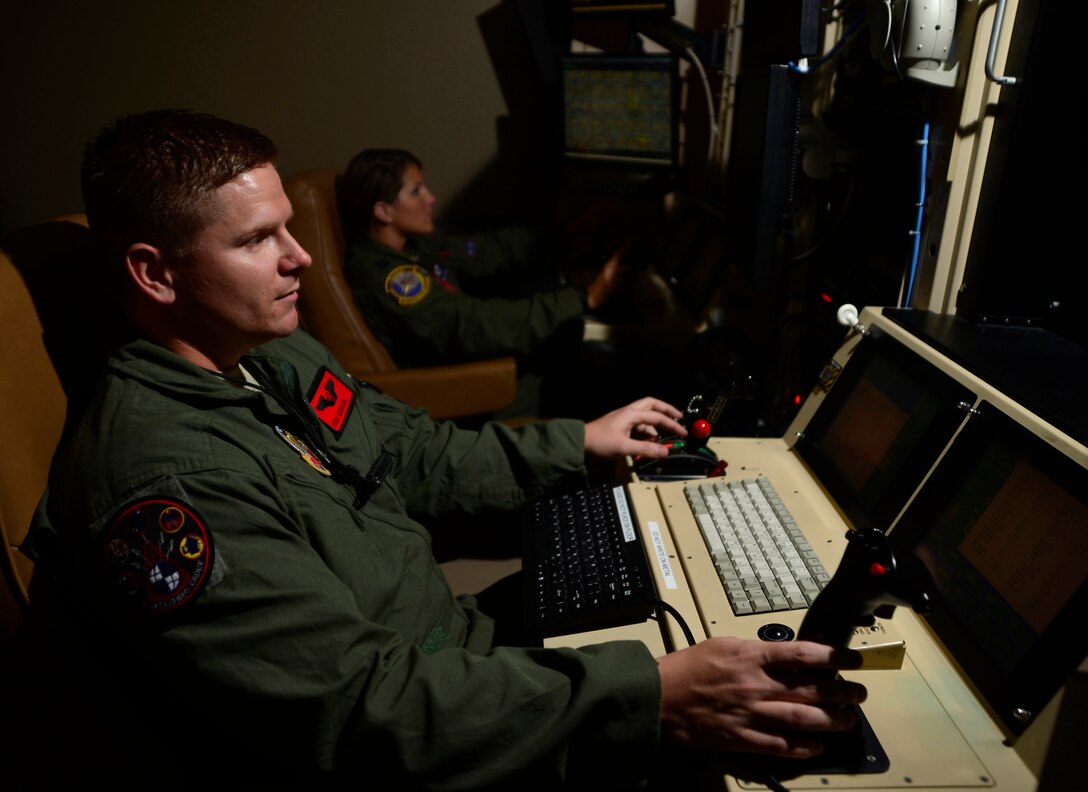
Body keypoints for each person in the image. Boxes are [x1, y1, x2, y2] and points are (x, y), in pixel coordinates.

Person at [25, 110, 866, 791]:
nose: (301, 258)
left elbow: (408, 448)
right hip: (406, 724)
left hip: (447, 642)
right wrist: (652, 699)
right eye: (255, 241)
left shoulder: (268, 352)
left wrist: (575, 443)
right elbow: (359, 714)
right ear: (154, 274)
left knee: (680, 589)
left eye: (288, 227)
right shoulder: (168, 485)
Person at [337, 148, 635, 419]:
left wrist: (570, 234)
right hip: (462, 388)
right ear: (383, 211)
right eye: (416, 191)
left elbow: (485, 250)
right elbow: (471, 323)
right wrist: (585, 298)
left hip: (477, 364)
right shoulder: (391, 279)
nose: (430, 197)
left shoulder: (415, 245)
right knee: (591, 369)